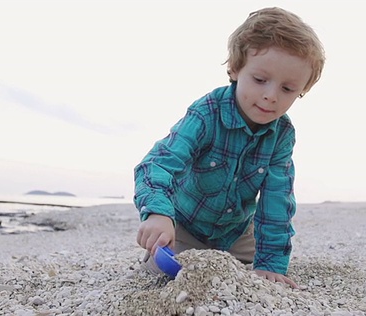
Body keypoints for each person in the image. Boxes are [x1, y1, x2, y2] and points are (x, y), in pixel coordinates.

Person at [134, 7, 325, 288]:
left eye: (287, 89)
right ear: (235, 69)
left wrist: (270, 264)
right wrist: (158, 213)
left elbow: (277, 200)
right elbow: (159, 163)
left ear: (301, 91)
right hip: (186, 224)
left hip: (236, 231)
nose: (270, 96)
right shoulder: (206, 114)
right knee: (166, 267)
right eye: (260, 80)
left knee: (265, 271)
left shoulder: (282, 133)